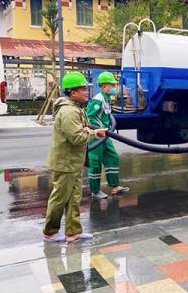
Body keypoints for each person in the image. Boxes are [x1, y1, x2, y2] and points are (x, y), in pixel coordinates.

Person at [43, 72, 107, 243]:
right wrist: (94, 133)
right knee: (60, 198)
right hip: (65, 163)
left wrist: (89, 131)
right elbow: (77, 137)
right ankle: (50, 232)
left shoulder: (76, 109)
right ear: (73, 93)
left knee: (73, 198)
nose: (87, 92)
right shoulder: (69, 111)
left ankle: (74, 232)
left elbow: (82, 130)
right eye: (83, 89)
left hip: (73, 162)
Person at [86, 71, 129, 199]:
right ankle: (95, 190)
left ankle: (115, 186)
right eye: (111, 85)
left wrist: (108, 130)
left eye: (114, 85)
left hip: (105, 135)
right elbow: (89, 117)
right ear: (104, 87)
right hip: (96, 137)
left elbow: (106, 116)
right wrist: (98, 131)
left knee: (112, 157)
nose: (114, 88)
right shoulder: (97, 100)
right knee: (95, 162)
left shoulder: (107, 99)